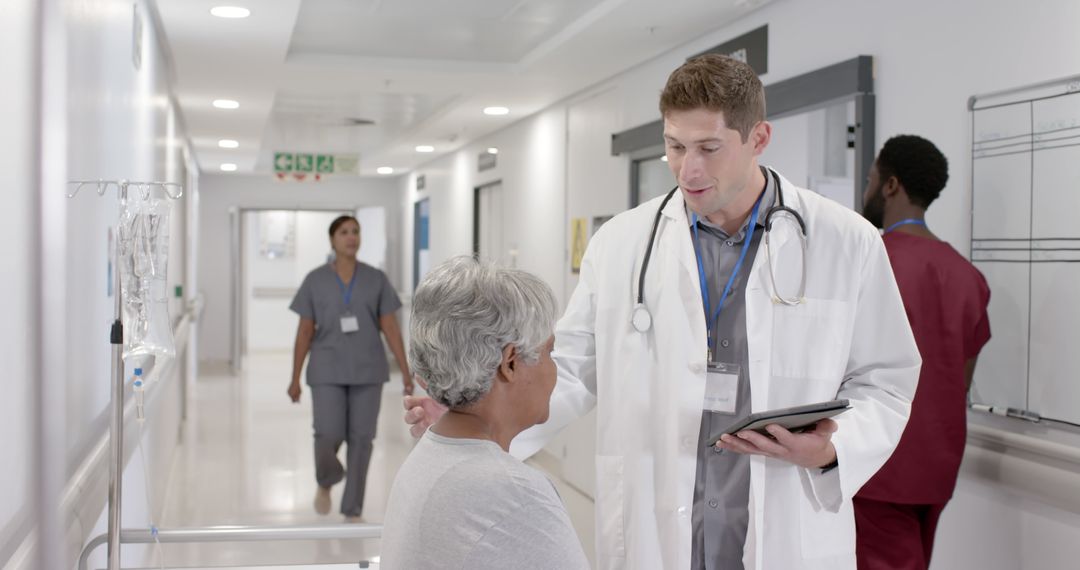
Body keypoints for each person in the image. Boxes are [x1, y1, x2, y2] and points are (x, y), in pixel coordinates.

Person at [406, 54, 921, 569]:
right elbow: (572, 369)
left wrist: (833, 452)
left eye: (708, 148)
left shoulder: (845, 240)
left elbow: (886, 379)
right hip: (658, 528)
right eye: (674, 146)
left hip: (782, 525)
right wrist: (476, 415)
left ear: (758, 139)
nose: (686, 169)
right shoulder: (621, 243)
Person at [381, 257, 589, 570]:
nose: (555, 369)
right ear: (510, 362)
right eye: (549, 352)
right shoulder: (517, 493)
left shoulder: (431, 453)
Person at [856, 135, 991, 570]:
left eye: (872, 179)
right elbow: (962, 379)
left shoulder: (870, 261)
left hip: (879, 465)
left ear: (891, 185)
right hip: (937, 465)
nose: (867, 190)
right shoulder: (967, 276)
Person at [288, 214, 413, 522]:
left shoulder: (376, 279)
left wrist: (407, 372)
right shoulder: (315, 280)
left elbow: (391, 328)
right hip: (326, 369)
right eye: (344, 232)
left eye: (355, 231)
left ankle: (352, 508)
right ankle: (327, 480)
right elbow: (305, 331)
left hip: (367, 370)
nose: (351, 237)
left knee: (362, 438)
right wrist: (294, 379)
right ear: (332, 239)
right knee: (327, 432)